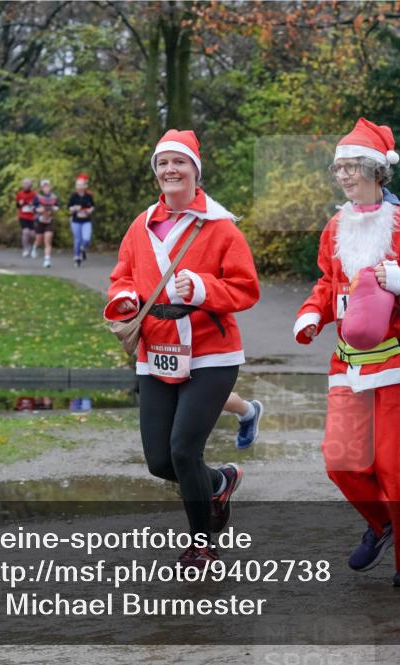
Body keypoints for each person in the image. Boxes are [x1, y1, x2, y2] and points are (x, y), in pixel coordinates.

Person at [293, 118, 400, 587]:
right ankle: (384, 523)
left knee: (398, 469)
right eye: (338, 168)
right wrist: (312, 313)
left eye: (352, 167)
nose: (343, 176)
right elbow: (329, 281)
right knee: (340, 460)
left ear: (376, 171)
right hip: (349, 363)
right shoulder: (335, 226)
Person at [104, 130, 260, 568]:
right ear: (156, 172)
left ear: (195, 170)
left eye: (180, 162)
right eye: (163, 163)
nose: (170, 170)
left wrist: (204, 288)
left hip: (211, 352)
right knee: (158, 461)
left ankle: (203, 543)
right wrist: (124, 299)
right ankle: (219, 482)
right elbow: (122, 275)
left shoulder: (220, 227)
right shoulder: (141, 224)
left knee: (182, 450)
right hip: (155, 351)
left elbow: (247, 289)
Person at [68, 173, 95, 267]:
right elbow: (69, 209)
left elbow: (92, 207)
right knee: (77, 239)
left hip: (86, 221)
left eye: (81, 185)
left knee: (86, 239)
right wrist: (75, 208)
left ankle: (83, 248)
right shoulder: (73, 196)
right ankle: (76, 257)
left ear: (85, 186)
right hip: (76, 221)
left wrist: (89, 211)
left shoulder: (89, 196)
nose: (79, 187)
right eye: (78, 185)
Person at [33, 179, 60, 268]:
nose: (46, 188)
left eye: (47, 186)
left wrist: (54, 209)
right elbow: (33, 208)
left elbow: (57, 207)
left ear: (50, 187)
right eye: (44, 187)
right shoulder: (38, 197)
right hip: (40, 221)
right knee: (39, 240)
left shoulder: (54, 197)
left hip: (49, 221)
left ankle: (47, 260)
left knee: (47, 241)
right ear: (41, 188)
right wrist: (38, 210)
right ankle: (35, 247)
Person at [16, 178, 37, 257]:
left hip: (32, 216)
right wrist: (20, 203)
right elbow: (17, 206)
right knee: (25, 232)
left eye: (28, 183)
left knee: (32, 234)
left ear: (30, 185)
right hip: (23, 215)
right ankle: (25, 249)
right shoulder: (20, 194)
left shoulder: (34, 194)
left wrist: (32, 205)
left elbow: (37, 205)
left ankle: (31, 247)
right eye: (25, 183)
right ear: (22, 185)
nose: (26, 185)